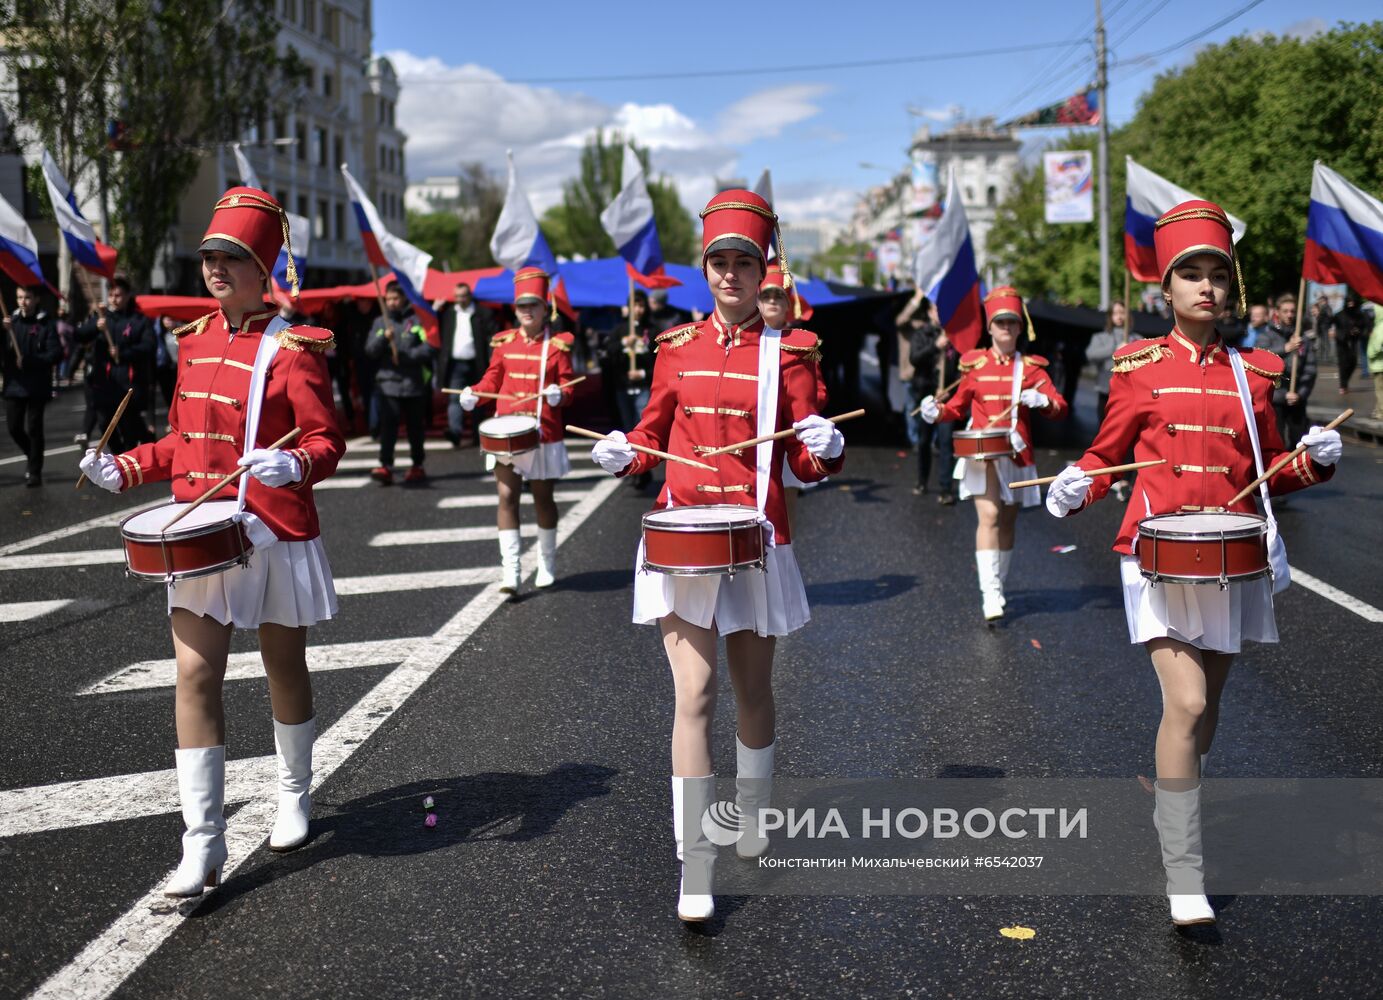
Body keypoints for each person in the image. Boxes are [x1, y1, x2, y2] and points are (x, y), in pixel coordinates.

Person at [1044, 200, 1343, 928]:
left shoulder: (1257, 373)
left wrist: (1311, 464)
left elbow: (1267, 471)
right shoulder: (1137, 366)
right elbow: (1105, 451)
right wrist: (1074, 485)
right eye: (1190, 275)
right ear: (1166, 290)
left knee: (1202, 717)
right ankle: (1184, 871)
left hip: (1232, 557)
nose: (1205, 287)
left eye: (1216, 274)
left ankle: (1176, 794)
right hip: (1155, 556)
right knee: (1188, 704)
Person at [78, 187, 344, 897]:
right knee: (195, 676)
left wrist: (297, 462)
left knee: (283, 667)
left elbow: (327, 439)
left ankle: (293, 793)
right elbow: (181, 442)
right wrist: (125, 467)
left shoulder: (293, 347)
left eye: (233, 257)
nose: (217, 268)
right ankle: (202, 844)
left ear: (264, 268)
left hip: (273, 529)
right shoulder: (192, 341)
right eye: (210, 257)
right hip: (202, 533)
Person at [588, 190, 846, 923]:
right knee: (692, 696)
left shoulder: (788, 354)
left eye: (742, 262)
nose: (730, 275)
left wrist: (825, 449)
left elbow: (805, 453)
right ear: (704, 270)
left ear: (762, 269)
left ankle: (754, 809)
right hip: (681, 538)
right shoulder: (675, 350)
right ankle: (695, 862)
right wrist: (620, 452)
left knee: (752, 692)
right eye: (718, 262)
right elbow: (649, 433)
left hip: (756, 540)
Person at [919, 287, 1068, 621]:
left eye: (1011, 322)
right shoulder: (975, 365)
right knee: (989, 517)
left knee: (1008, 520)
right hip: (982, 452)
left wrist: (1044, 402)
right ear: (989, 327)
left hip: (1017, 453)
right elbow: (956, 408)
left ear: (1019, 328)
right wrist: (934, 410)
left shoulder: (1031, 369)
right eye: (1000, 322)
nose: (1005, 328)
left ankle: (998, 581)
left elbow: (1060, 407)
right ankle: (991, 593)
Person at [455, 267, 575, 592]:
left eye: (533, 304)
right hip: (505, 433)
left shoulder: (558, 346)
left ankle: (547, 562)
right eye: (522, 305)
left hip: (543, 433)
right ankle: (511, 571)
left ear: (545, 307)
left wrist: (559, 393)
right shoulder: (504, 344)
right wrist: (474, 394)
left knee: (542, 498)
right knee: (506, 496)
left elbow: (569, 385)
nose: (527, 311)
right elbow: (491, 380)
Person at [76, 274, 157, 451]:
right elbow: (79, 335)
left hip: (129, 382)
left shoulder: (138, 320)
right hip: (105, 382)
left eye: (118, 295)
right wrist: (95, 326)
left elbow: (149, 346)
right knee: (105, 423)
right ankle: (120, 455)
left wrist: (124, 353)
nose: (114, 299)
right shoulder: (102, 318)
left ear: (127, 296)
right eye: (111, 295)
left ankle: (138, 449)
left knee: (129, 426)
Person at [365, 282, 432, 485]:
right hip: (388, 384)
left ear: (403, 299)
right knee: (388, 427)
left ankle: (417, 465)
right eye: (389, 299)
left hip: (413, 384)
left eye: (396, 299)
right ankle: (386, 465)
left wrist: (405, 355)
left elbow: (428, 349)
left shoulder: (417, 321)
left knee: (415, 428)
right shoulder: (380, 322)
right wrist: (384, 339)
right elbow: (369, 350)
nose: (392, 303)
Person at [3, 285, 63, 485]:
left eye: (27, 297)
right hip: (14, 384)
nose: (23, 301)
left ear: (36, 299)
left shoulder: (45, 324)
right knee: (13, 427)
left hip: (37, 385)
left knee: (35, 428)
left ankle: (35, 471)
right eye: (19, 297)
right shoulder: (11, 323)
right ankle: (32, 453)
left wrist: (31, 361)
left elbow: (55, 353)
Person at [903, 297, 957, 502]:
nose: (939, 314)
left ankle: (945, 489)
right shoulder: (922, 334)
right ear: (929, 312)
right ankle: (922, 481)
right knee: (924, 441)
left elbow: (962, 367)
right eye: (936, 309)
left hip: (946, 399)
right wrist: (936, 346)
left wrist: (951, 389)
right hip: (925, 396)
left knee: (945, 442)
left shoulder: (955, 336)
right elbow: (915, 358)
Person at [438, 281, 495, 448]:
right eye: (457, 296)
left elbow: (491, 335)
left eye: (463, 296)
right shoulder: (448, 314)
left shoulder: (482, 313)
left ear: (469, 296)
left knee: (477, 399)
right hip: (456, 363)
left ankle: (477, 434)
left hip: (477, 363)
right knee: (455, 398)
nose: (460, 299)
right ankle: (455, 432)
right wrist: (435, 310)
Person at [1257, 293, 1315, 448]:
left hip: (1296, 399)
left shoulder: (1303, 338)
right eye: (1285, 311)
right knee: (1277, 443)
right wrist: (1286, 348)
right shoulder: (1267, 335)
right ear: (1277, 312)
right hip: (1275, 399)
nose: (1290, 315)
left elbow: (1310, 371)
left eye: (1293, 311)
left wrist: (1300, 394)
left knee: (1300, 443)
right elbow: (1261, 360)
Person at [1331, 292, 1368, 395]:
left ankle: (1345, 381)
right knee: (1343, 363)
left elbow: (1363, 326)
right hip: (1341, 341)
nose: (1351, 304)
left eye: (1352, 302)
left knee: (1353, 362)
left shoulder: (1359, 314)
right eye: (1349, 301)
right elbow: (1331, 323)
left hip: (1352, 342)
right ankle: (1343, 385)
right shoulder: (1340, 314)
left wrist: (1358, 331)